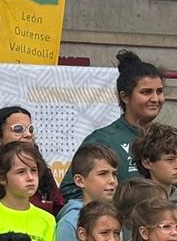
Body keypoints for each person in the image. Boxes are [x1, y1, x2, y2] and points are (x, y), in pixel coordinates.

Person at [60, 50, 168, 196]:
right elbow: (70, 191)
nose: (155, 98)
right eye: (146, 92)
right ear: (125, 96)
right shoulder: (104, 140)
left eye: (159, 91)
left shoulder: (170, 139)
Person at [0, 106, 61, 219]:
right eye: (18, 129)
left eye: (30, 129)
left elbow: (59, 212)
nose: (28, 134)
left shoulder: (44, 175)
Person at [54, 143, 119, 241]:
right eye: (103, 174)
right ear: (80, 181)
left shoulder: (117, 216)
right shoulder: (70, 222)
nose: (112, 181)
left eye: (114, 174)